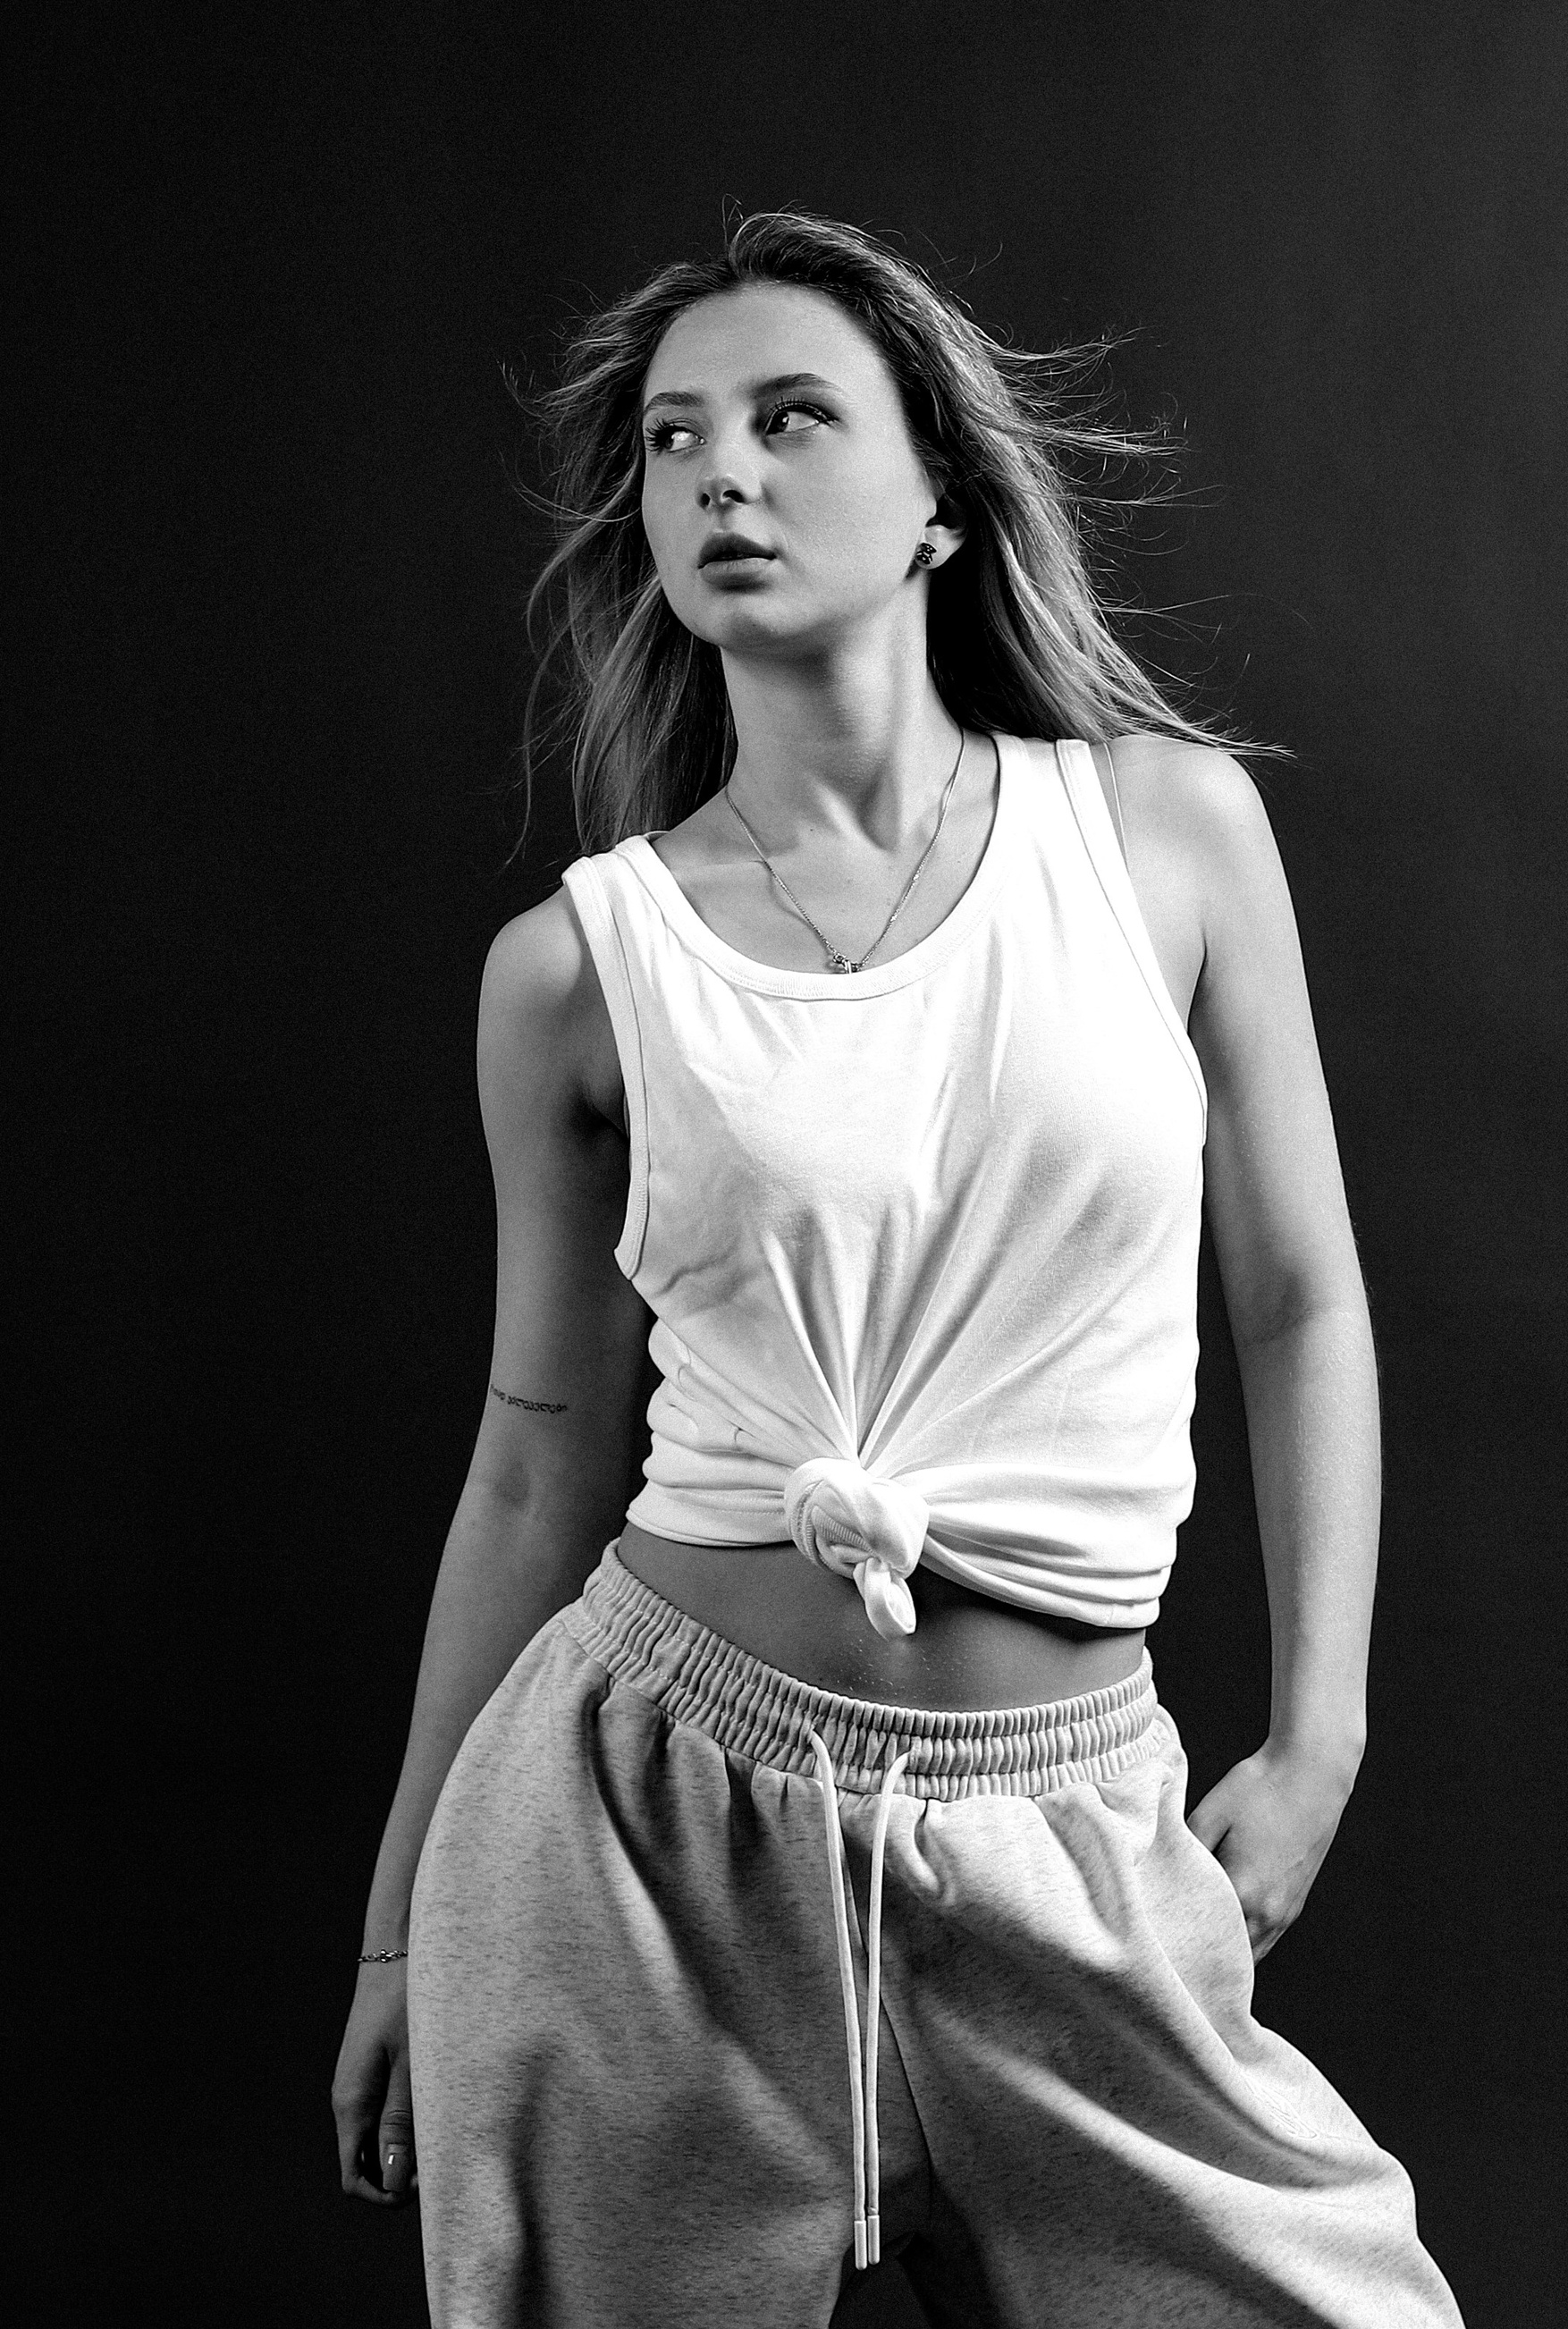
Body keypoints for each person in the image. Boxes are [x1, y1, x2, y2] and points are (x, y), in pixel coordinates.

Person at [332, 210, 1465, 2327]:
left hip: (1075, 1839)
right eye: (674, 442)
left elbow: (1301, 1300)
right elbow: (532, 1458)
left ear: (940, 494)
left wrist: (1319, 1737)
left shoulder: (1166, 838)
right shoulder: (577, 971)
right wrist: (402, 1929)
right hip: (648, 1843)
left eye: (790, 419)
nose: (722, 477)